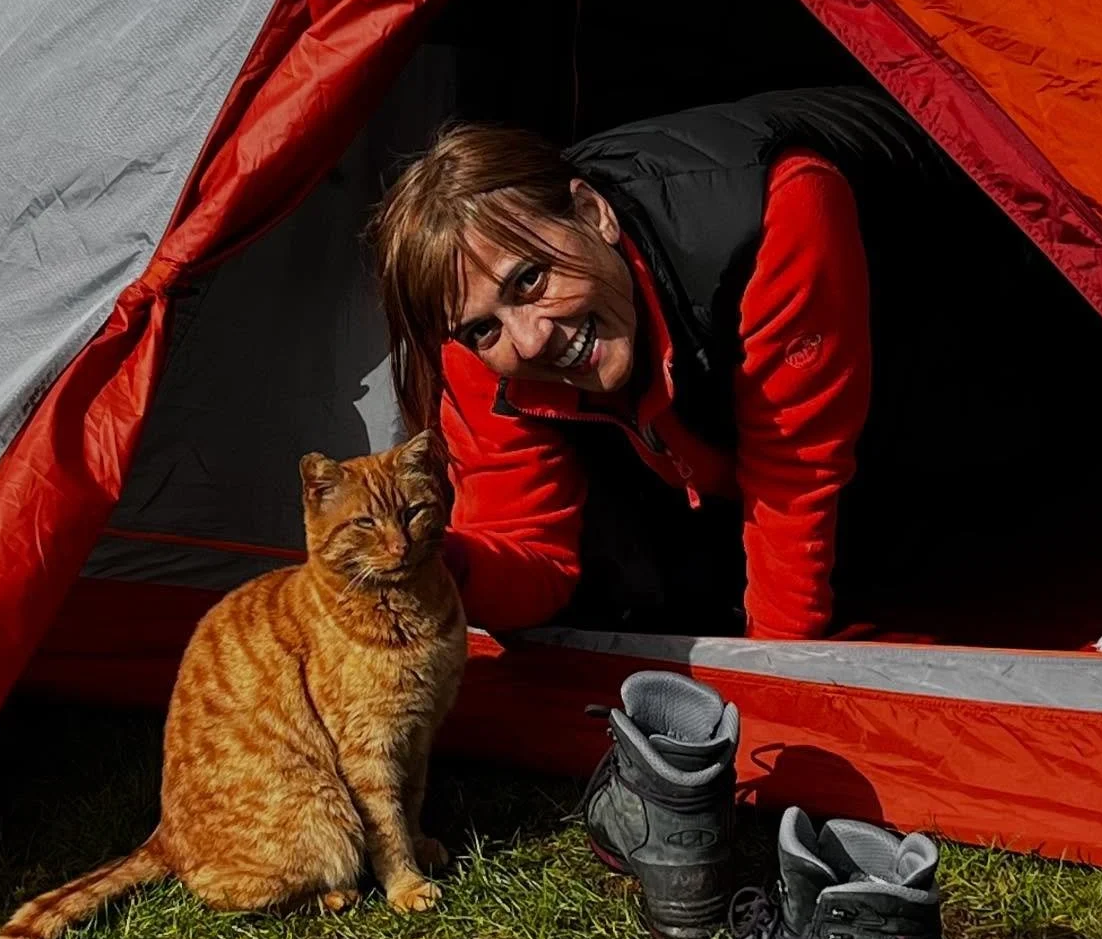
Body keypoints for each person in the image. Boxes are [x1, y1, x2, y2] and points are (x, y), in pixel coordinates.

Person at [371, 88, 927, 643]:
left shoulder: (771, 214)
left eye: (531, 280)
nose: (529, 339)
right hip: (741, 466)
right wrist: (442, 566)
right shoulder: (479, 344)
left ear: (593, 212)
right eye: (482, 328)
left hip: (953, 332)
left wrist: (767, 695)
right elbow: (525, 544)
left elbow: (795, 481)